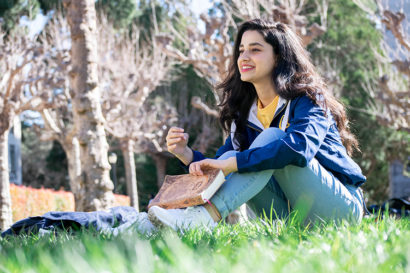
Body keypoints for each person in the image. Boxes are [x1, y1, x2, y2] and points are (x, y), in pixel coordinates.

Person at [148, 19, 366, 230]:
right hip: (288, 217)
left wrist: (236, 162)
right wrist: (186, 154)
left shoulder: (308, 99)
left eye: (255, 49)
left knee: (271, 139)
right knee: (228, 157)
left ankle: (205, 217)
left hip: (339, 210)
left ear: (279, 57)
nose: (244, 57)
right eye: (241, 50)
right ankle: (172, 221)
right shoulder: (245, 113)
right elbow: (221, 165)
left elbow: (299, 149)